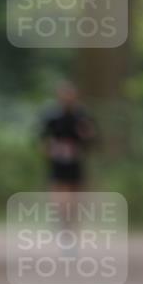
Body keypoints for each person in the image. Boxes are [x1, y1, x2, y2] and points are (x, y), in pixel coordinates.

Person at [39, 82, 96, 223]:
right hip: (57, 157)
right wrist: (49, 150)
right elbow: (43, 137)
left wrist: (86, 138)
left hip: (75, 158)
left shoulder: (82, 115)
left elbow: (91, 136)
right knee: (58, 187)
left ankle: (71, 217)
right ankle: (60, 216)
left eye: (70, 95)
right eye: (64, 95)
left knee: (75, 189)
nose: (67, 98)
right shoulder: (52, 115)